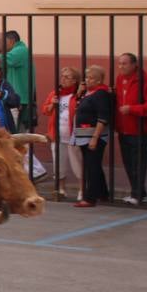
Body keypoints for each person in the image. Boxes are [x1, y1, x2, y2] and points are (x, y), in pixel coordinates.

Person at [0, 30, 46, 179]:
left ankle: (36, 170)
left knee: (17, 137)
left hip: (21, 101)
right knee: (15, 137)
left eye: (1, 42)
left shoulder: (20, 50)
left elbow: (2, 60)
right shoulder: (19, 51)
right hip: (19, 99)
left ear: (10, 41)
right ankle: (30, 170)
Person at [114, 52, 147, 205]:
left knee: (138, 163)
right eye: (120, 63)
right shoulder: (119, 79)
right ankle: (138, 192)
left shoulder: (144, 80)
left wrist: (131, 109)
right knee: (128, 163)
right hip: (123, 129)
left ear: (134, 64)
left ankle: (137, 194)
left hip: (138, 130)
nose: (121, 66)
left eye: (124, 63)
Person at [72, 65, 113, 208]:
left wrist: (95, 137)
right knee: (93, 165)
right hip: (84, 135)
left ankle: (90, 198)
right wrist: (79, 92)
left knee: (92, 166)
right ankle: (102, 193)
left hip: (93, 136)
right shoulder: (88, 93)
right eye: (87, 77)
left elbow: (103, 117)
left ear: (99, 80)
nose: (88, 80)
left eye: (92, 78)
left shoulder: (100, 94)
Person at [43, 67, 83, 201]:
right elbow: (45, 110)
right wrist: (52, 105)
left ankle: (82, 189)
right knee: (58, 164)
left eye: (67, 77)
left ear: (75, 80)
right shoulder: (56, 93)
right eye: (62, 76)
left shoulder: (78, 95)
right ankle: (61, 188)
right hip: (57, 134)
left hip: (72, 135)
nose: (63, 79)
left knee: (78, 164)